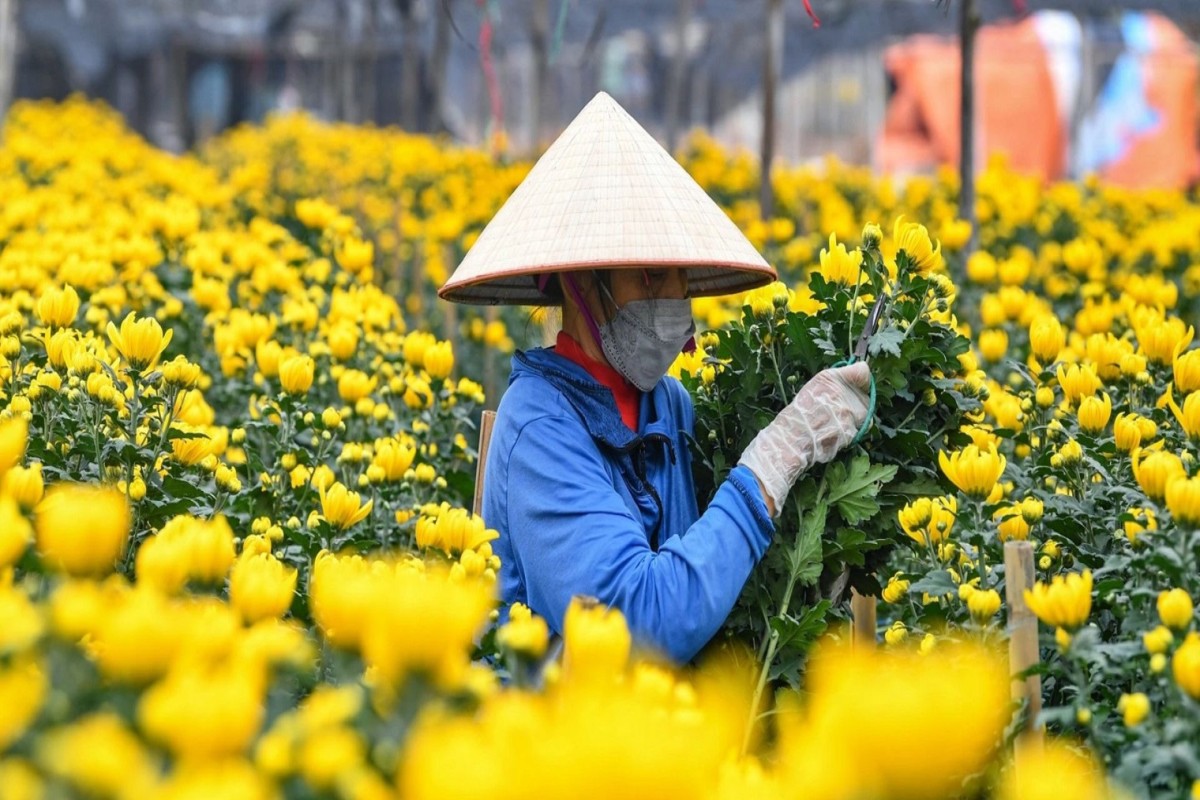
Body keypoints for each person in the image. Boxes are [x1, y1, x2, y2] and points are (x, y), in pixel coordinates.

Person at [439, 92, 871, 664]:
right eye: (649, 275)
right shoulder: (539, 428)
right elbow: (637, 625)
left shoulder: (667, 406)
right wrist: (774, 459)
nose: (673, 298)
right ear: (579, 284)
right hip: (551, 740)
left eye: (678, 275)